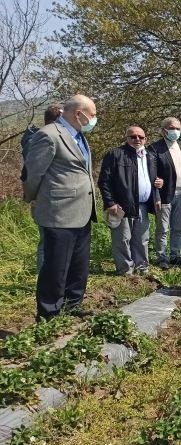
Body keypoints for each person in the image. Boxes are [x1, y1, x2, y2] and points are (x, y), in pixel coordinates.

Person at [22, 94, 98, 321]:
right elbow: (33, 173)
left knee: (79, 264)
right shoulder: (49, 135)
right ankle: (49, 313)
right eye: (92, 115)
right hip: (58, 212)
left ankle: (73, 304)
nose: (94, 119)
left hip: (82, 211)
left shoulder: (79, 136)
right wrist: (33, 199)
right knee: (56, 266)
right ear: (78, 114)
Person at [98, 126, 162, 275]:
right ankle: (125, 270)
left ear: (146, 139)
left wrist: (157, 194)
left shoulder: (150, 156)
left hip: (143, 205)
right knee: (123, 239)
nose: (137, 139)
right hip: (122, 205)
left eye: (141, 137)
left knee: (142, 238)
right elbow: (104, 181)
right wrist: (110, 202)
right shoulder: (115, 154)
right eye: (133, 137)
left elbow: (154, 179)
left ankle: (142, 268)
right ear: (126, 138)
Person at [20, 104, 63, 273]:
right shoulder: (42, 139)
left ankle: (52, 276)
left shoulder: (38, 138)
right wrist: (32, 196)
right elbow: (34, 173)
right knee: (47, 241)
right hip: (44, 198)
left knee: (52, 240)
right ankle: (44, 279)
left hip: (49, 197)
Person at [150, 117, 181, 269]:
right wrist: (156, 195)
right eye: (172, 128)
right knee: (163, 228)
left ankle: (175, 255)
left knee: (178, 228)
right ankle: (161, 257)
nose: (175, 131)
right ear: (163, 130)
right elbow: (152, 175)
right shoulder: (155, 148)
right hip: (165, 196)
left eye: (178, 128)